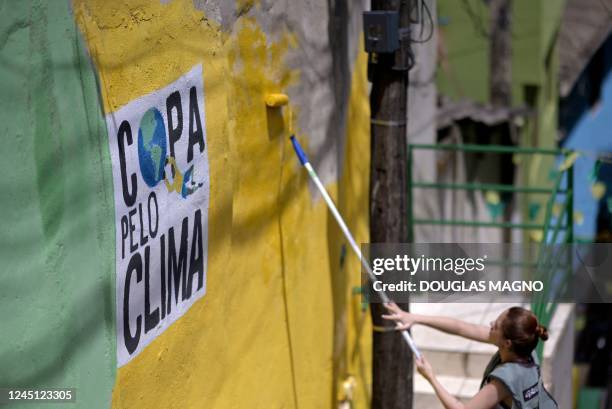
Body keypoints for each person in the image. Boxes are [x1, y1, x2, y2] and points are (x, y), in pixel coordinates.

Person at [382, 303, 558, 409]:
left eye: (495, 325)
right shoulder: (527, 350)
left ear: (507, 343)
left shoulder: (503, 383)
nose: (490, 324)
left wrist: (431, 377)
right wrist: (414, 318)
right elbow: (461, 328)